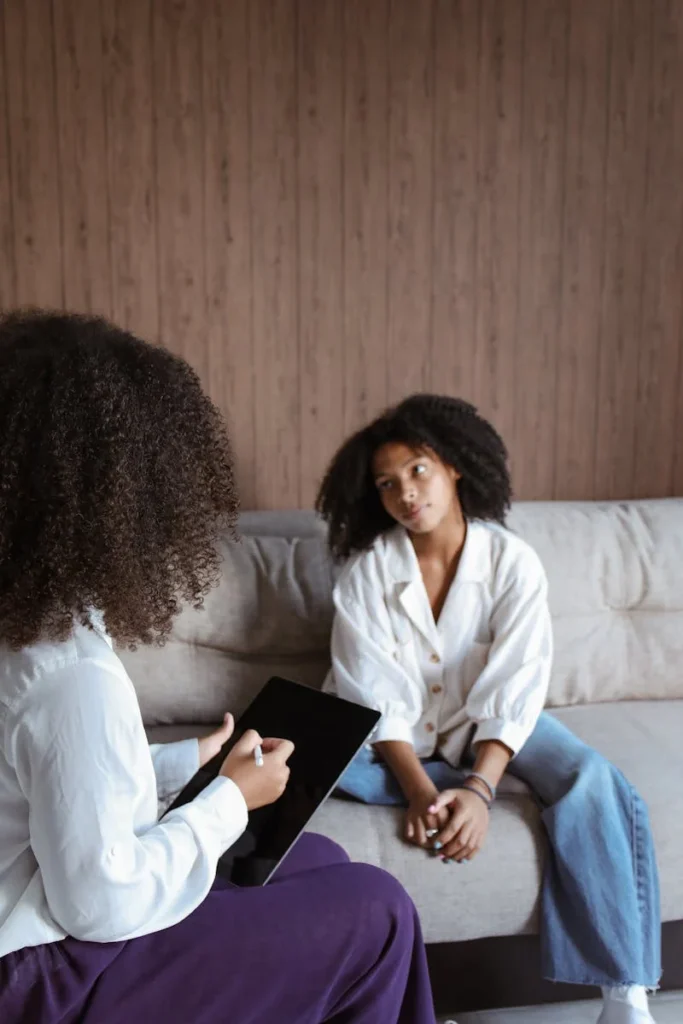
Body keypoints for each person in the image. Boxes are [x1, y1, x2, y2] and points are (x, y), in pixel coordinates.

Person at [0, 311, 441, 1024]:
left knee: (318, 858)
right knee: (378, 907)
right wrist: (228, 799)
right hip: (41, 976)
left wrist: (189, 763)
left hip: (30, 926)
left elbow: (47, 783)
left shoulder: (24, 628)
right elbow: (101, 902)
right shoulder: (69, 673)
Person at [316, 393, 661, 1024]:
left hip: (493, 728)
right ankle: (443, 790)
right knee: (315, 757)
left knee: (591, 778)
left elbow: (517, 686)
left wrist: (478, 789)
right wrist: (423, 794)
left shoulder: (512, 563)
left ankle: (624, 993)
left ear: (453, 466)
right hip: (394, 743)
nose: (406, 494)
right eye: (387, 484)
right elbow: (373, 701)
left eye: (418, 470)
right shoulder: (366, 576)